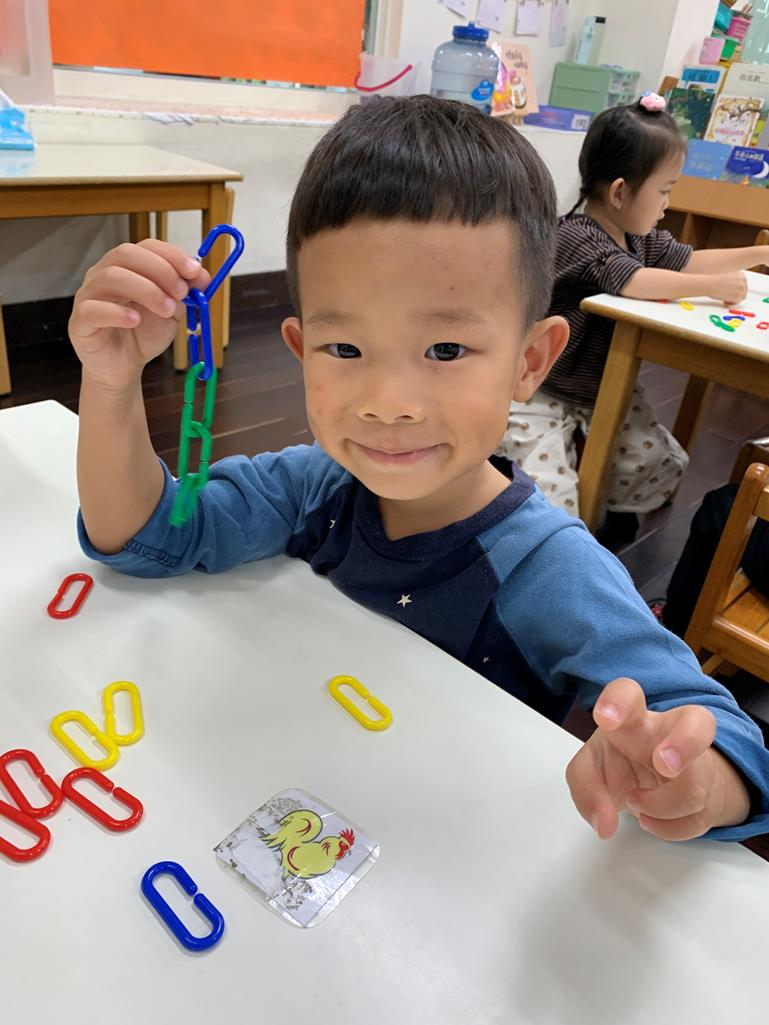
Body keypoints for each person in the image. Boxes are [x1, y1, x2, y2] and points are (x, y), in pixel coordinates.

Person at [69, 95, 769, 843]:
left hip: (448, 859)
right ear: (302, 350)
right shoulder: (311, 486)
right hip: (287, 809)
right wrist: (111, 382)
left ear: (529, 361)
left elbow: (729, 739)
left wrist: (689, 775)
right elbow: (144, 535)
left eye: (445, 350)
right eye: (345, 349)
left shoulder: (551, 570)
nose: (388, 403)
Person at [497, 92, 769, 543]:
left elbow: (688, 260)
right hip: (540, 388)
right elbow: (632, 280)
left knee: (656, 461)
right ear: (620, 192)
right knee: (550, 500)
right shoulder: (577, 236)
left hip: (601, 385)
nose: (666, 204)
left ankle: (616, 514)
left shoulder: (638, 236)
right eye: (663, 191)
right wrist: (711, 287)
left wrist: (757, 254)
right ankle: (559, 540)